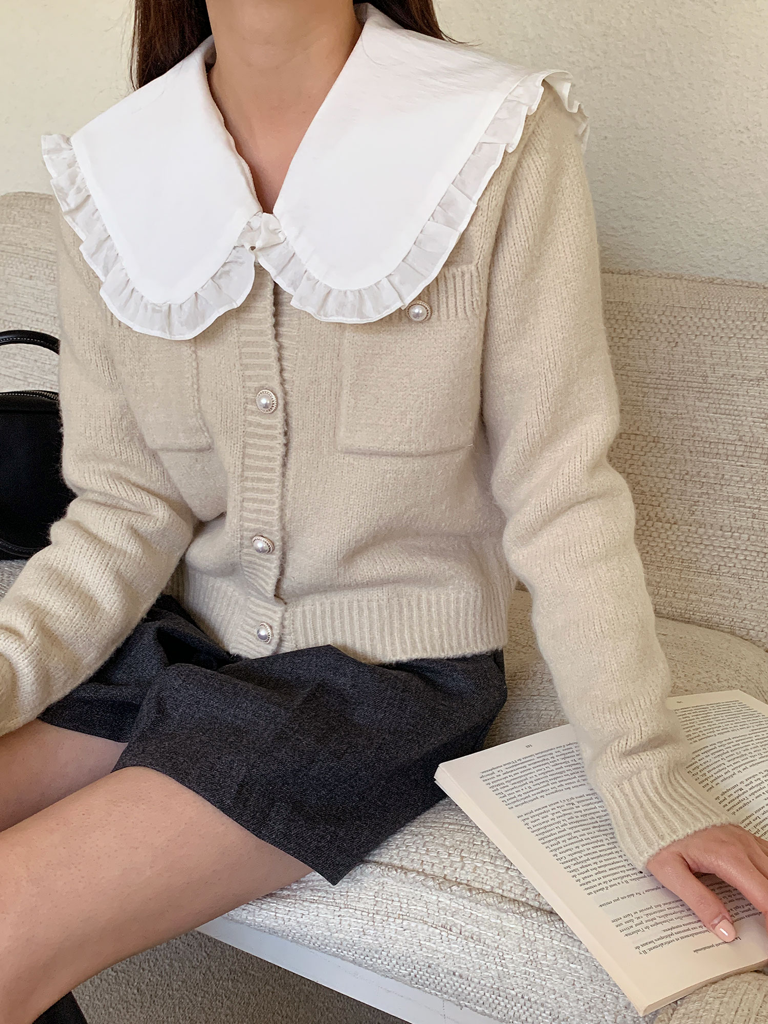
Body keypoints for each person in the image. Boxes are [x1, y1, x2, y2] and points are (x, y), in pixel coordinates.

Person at [2, 1, 767, 1021]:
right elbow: (123, 509)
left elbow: (562, 493)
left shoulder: (493, 133)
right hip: (169, 641)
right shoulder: (113, 170)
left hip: (377, 682)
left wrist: (646, 778)